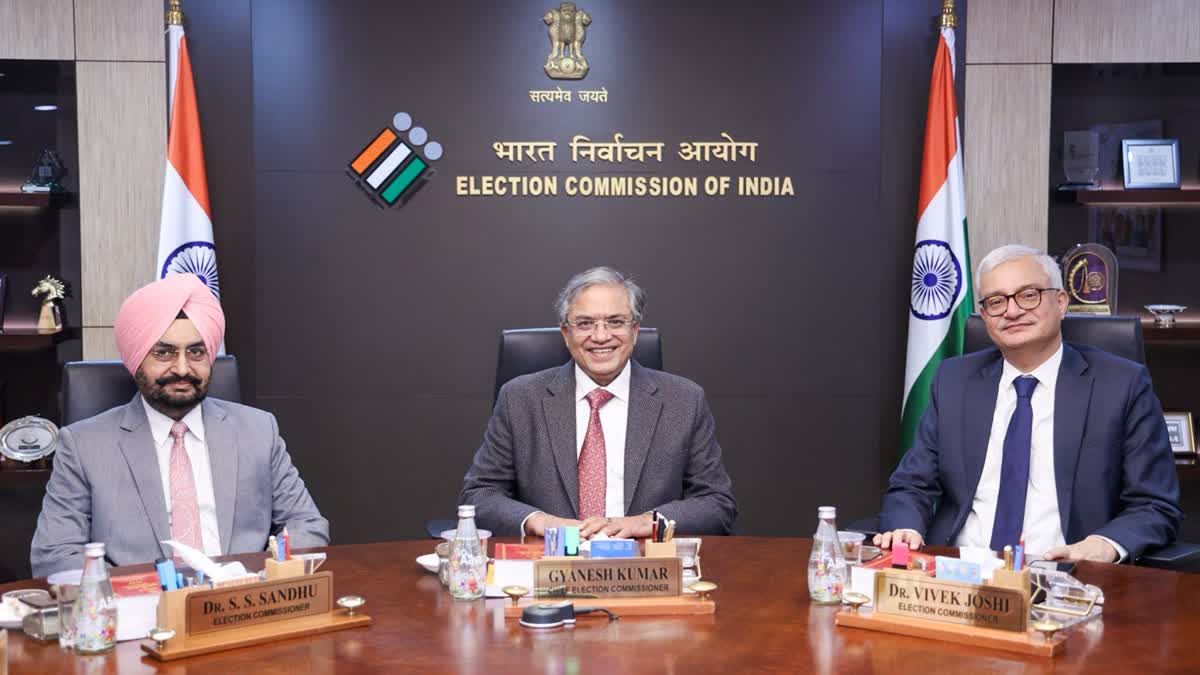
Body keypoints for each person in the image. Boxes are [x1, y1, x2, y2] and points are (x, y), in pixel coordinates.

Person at [876, 245, 1181, 563]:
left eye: (1028, 295)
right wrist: (905, 529)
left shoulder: (1122, 385)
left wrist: (1103, 545)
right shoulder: (954, 380)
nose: (1011, 311)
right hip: (959, 570)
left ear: (1061, 302)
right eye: (996, 301)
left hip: (1064, 576)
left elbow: (1154, 504)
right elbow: (912, 483)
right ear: (985, 315)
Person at [31, 275, 328, 576]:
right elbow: (55, 554)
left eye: (196, 352)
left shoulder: (258, 431)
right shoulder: (83, 445)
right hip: (140, 613)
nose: (183, 368)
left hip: (243, 604)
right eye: (164, 352)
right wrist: (135, 593)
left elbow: (307, 524)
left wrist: (264, 574)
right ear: (136, 359)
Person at [459, 266, 737, 538]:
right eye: (585, 323)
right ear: (566, 333)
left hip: (643, 568)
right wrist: (540, 522)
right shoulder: (518, 399)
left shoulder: (684, 401)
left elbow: (717, 503)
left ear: (635, 331)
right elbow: (479, 495)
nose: (601, 336)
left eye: (615, 322)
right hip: (549, 567)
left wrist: (646, 523)